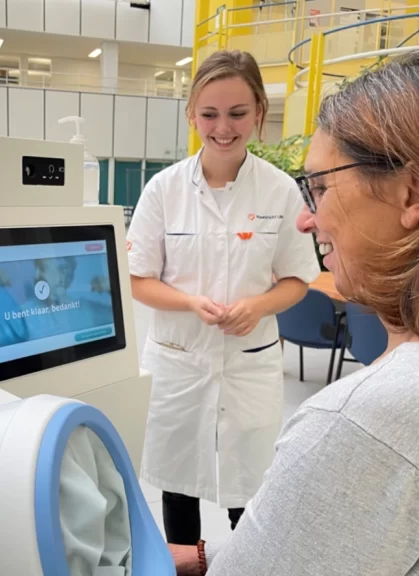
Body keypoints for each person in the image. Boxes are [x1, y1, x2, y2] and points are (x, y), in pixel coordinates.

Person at [170, 48, 419, 575]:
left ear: (413, 194)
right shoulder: (167, 187)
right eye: (208, 113)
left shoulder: (369, 427)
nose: (306, 219)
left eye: (319, 188)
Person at [126, 49, 320, 546]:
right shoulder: (163, 190)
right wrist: (191, 303)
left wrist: (257, 306)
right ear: (192, 114)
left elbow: (298, 278)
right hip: (178, 360)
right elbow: (139, 280)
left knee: (249, 481)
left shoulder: (280, 192)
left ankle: (250, 560)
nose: (223, 127)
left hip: (248, 361)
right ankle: (188, 563)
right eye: (209, 114)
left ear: (259, 112)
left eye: (237, 113)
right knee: (177, 477)